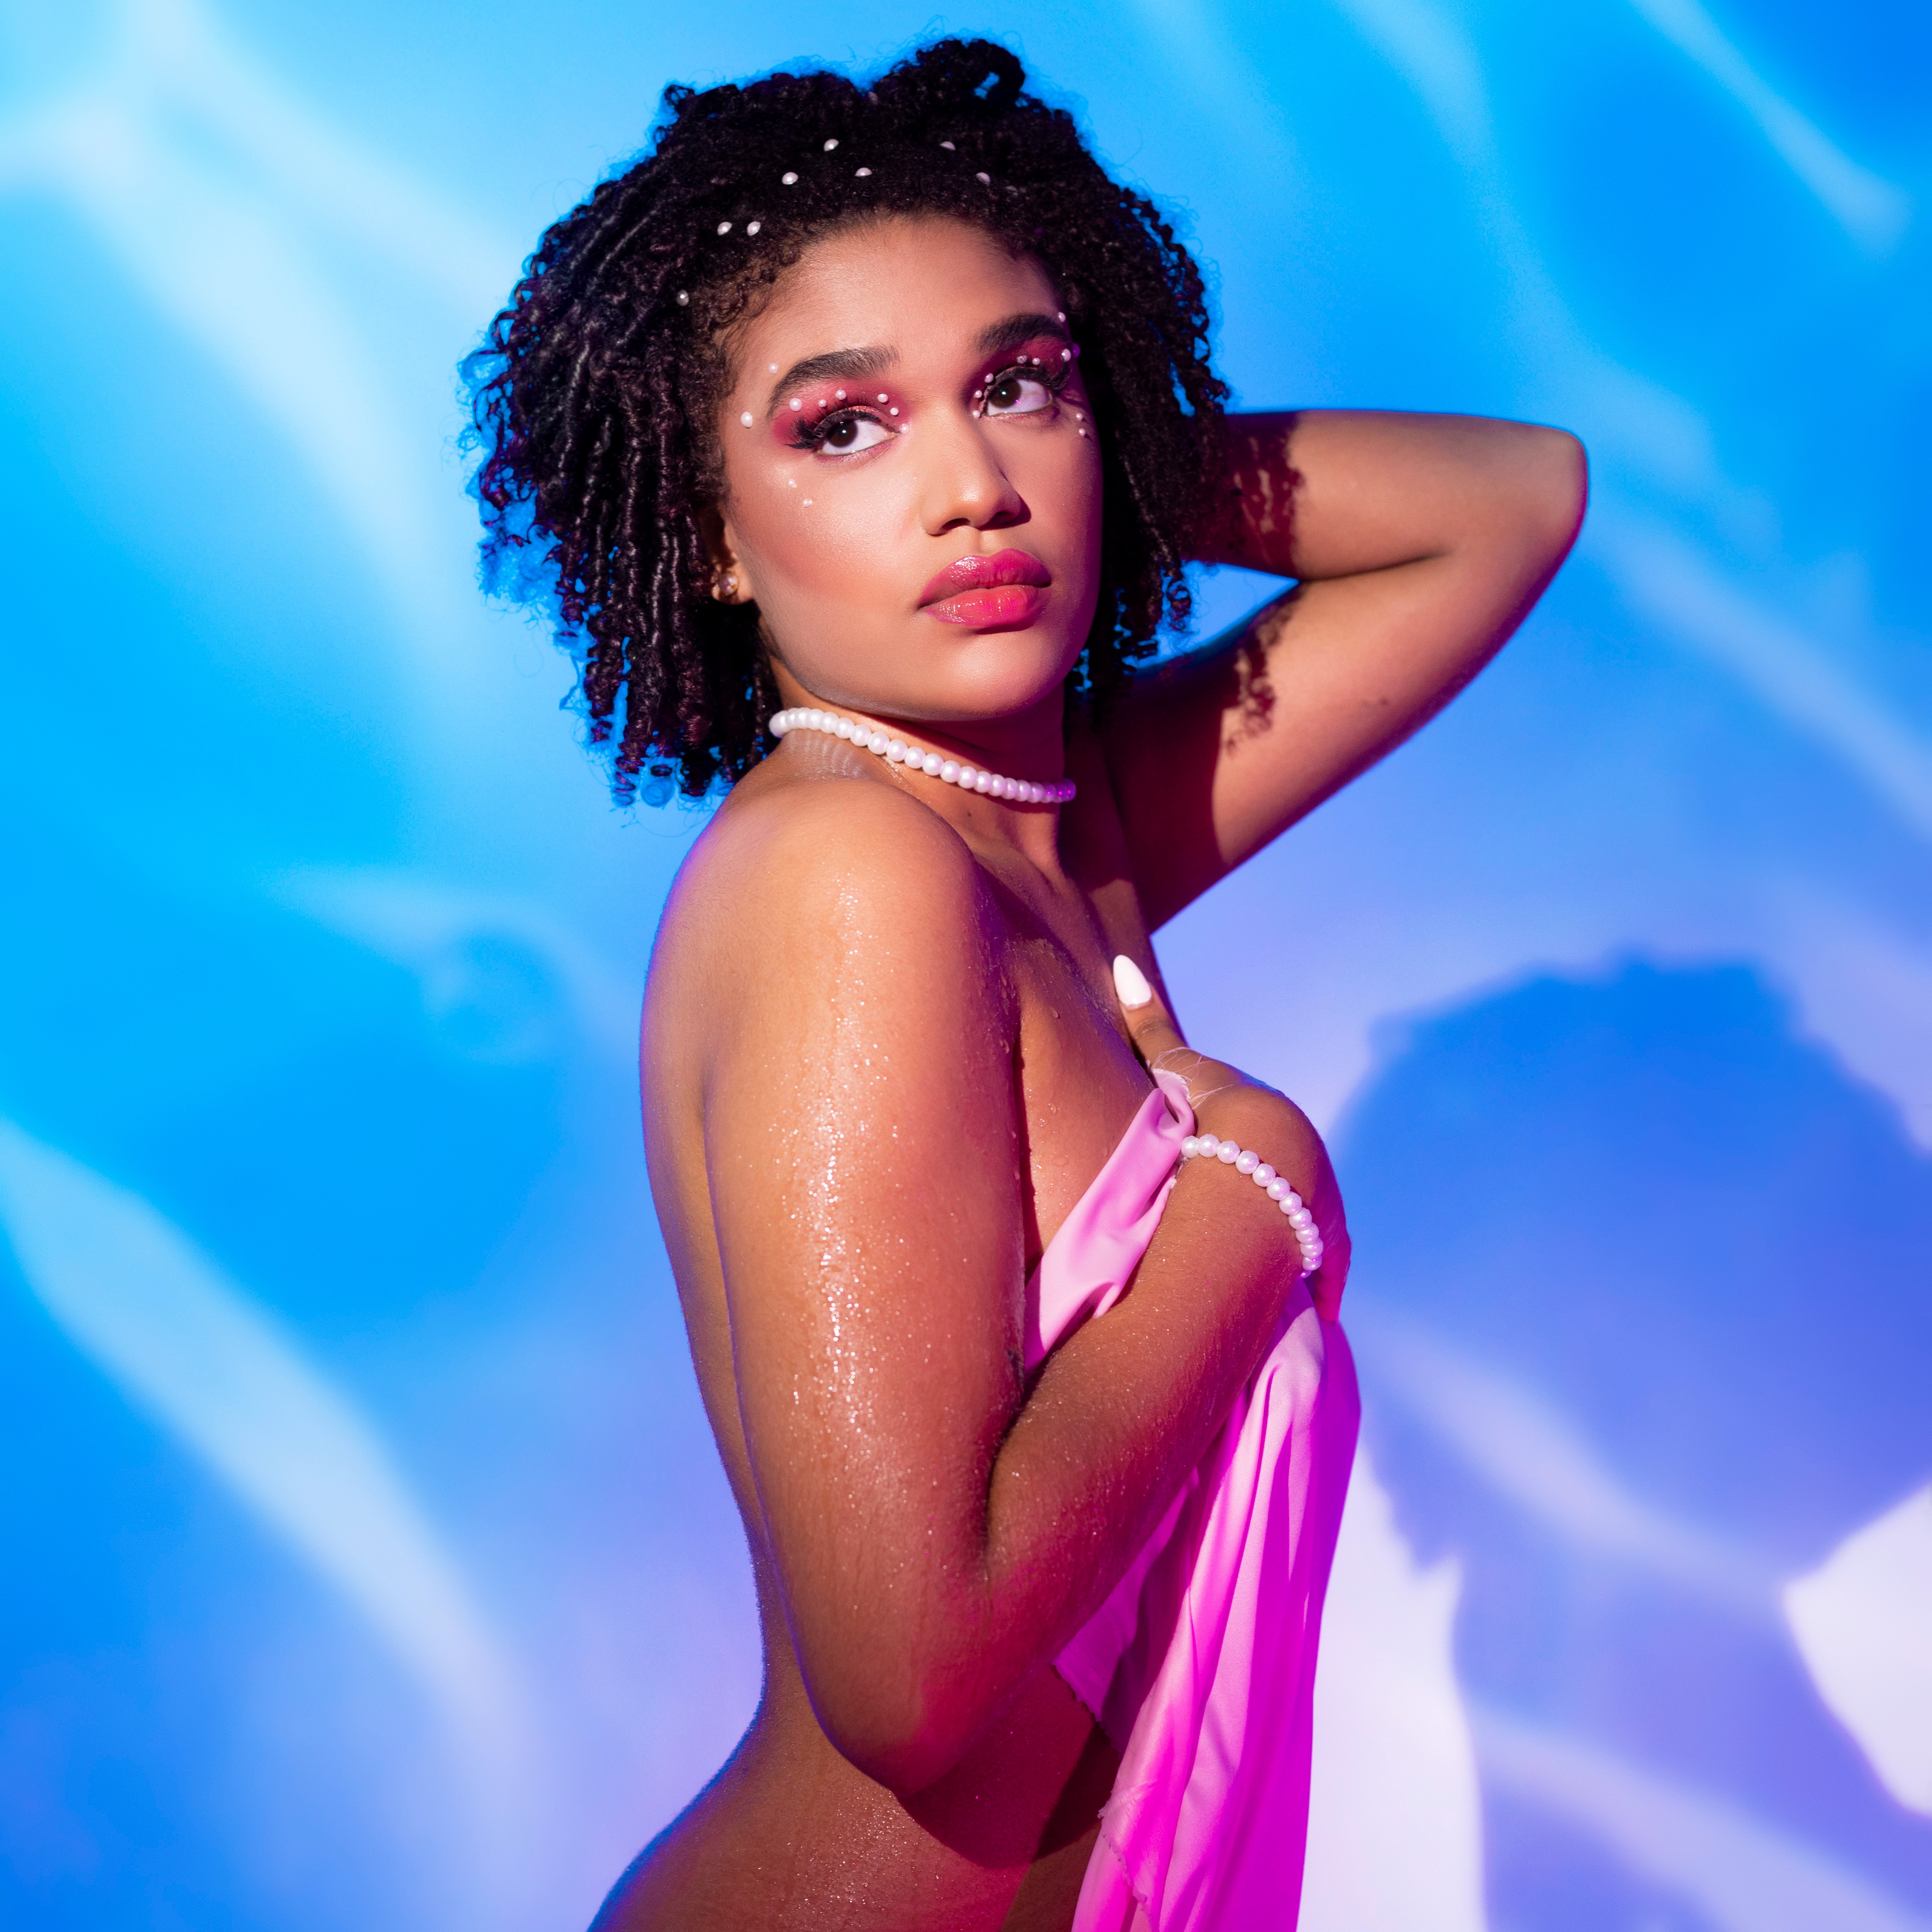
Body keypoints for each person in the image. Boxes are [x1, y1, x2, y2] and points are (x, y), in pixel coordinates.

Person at [465, 37, 1584, 1930]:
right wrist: (1251, 1199)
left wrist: (1117, 436)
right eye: (845, 426)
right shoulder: (849, 873)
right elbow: (910, 1681)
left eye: (1017, 386)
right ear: (707, 527)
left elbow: (1507, 503)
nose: (974, 487)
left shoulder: (1046, 831)